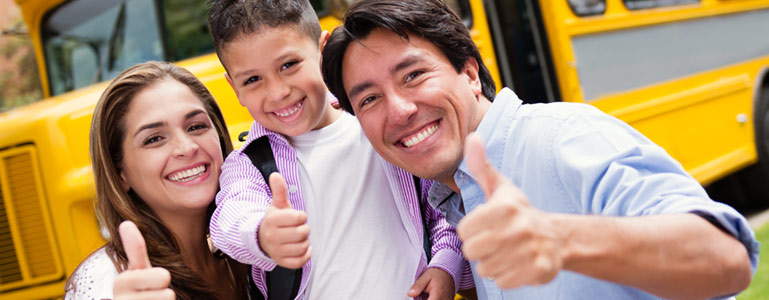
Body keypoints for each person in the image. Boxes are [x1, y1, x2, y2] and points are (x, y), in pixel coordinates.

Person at [320, 0, 760, 299]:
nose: (398, 110)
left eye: (413, 75)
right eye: (369, 99)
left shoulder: (564, 137)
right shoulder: (452, 201)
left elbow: (727, 257)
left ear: (470, 73)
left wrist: (564, 241)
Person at [206, 0, 472, 299]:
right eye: (253, 80)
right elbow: (230, 217)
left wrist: (445, 264)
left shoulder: (380, 129)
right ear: (234, 89)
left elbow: (440, 210)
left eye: (289, 65)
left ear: (323, 50)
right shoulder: (249, 163)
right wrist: (262, 233)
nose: (278, 92)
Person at [64, 61, 252, 300]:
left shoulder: (250, 252)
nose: (186, 148)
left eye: (196, 126)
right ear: (120, 172)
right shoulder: (109, 282)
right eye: (153, 139)